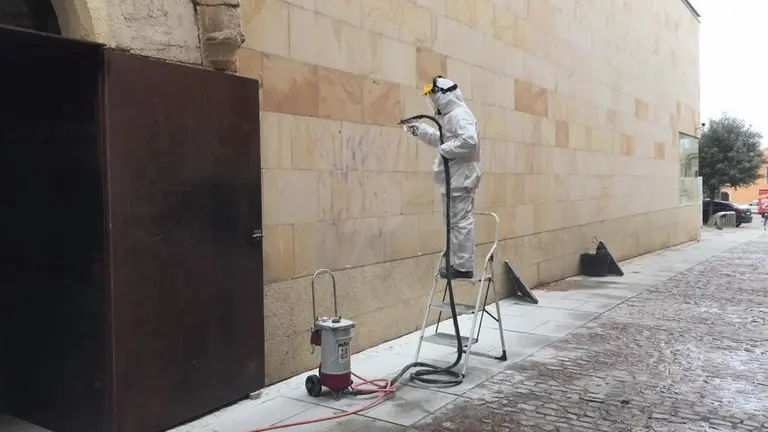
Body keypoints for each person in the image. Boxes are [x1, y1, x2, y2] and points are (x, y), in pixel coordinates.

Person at [404, 76, 481, 279]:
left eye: (435, 95)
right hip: (454, 180)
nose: (433, 101)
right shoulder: (451, 117)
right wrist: (419, 130)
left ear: (444, 95)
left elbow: (469, 141)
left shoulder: (459, 114)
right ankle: (457, 263)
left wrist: (445, 150)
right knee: (454, 223)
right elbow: (442, 140)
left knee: (460, 223)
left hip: (460, 179)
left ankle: (463, 268)